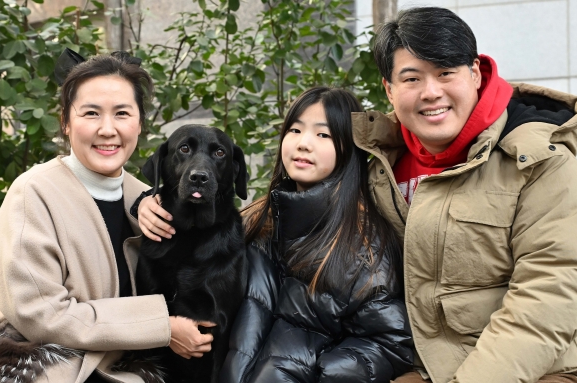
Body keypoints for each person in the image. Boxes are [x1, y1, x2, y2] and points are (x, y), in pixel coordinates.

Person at [352, 6, 577, 383]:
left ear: (474, 74)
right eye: (412, 78)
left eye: (445, 73)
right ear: (389, 89)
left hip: (546, 368)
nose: (431, 92)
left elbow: (553, 289)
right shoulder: (375, 165)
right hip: (421, 366)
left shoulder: (539, 162)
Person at [138, 86, 414, 382]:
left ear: (347, 148)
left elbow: (391, 344)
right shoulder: (256, 222)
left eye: (323, 135)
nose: (303, 144)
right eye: (295, 130)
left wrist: (315, 374)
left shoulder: (363, 244)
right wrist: (140, 202)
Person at [0, 50, 215, 383]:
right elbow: (41, 315)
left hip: (121, 362)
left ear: (140, 123)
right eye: (91, 113)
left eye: (122, 113)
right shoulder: (34, 193)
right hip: (36, 361)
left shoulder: (144, 199)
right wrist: (162, 326)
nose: (107, 129)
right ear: (66, 121)